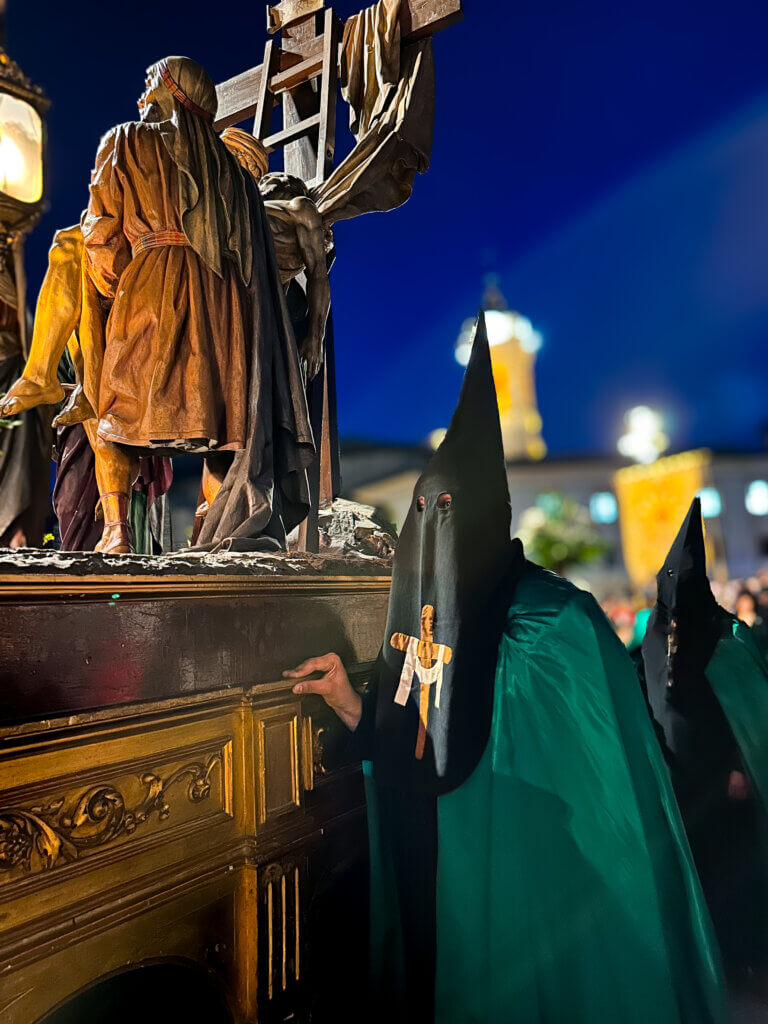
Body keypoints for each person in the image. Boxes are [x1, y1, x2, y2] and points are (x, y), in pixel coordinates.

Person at [284, 316, 727, 1024]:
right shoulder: (416, 620)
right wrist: (348, 700)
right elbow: (412, 746)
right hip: (433, 875)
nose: (434, 525)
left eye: (449, 509)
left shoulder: (558, 622)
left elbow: (601, 791)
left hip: (537, 888)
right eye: (422, 509)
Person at [1, 57, 314, 553]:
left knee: (111, 409)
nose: (143, 92)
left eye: (150, 83)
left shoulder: (126, 139)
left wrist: (108, 292)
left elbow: (102, 236)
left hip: (151, 283)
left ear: (171, 89)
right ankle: (219, 528)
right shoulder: (232, 170)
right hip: (222, 306)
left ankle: (116, 530)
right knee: (224, 427)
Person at [641, 499, 768, 981]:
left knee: (736, 868)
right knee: (695, 870)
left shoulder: (728, 637)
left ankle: (745, 956)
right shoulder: (652, 635)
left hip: (726, 783)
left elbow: (751, 707)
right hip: (677, 782)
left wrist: (740, 763)